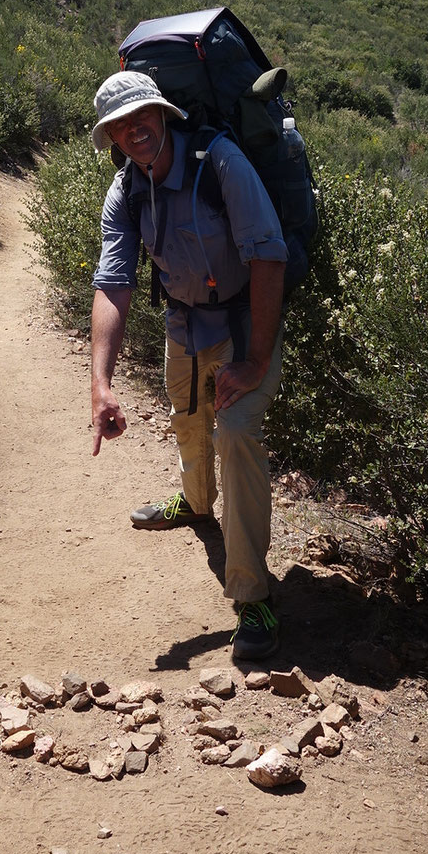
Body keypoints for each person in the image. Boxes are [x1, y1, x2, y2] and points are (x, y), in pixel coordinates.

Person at [89, 69, 287, 662]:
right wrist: (100, 384)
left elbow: (269, 257)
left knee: (236, 429)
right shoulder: (127, 190)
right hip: (186, 319)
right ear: (113, 141)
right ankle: (197, 503)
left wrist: (254, 360)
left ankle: (252, 594)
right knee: (188, 413)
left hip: (248, 321)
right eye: (120, 128)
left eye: (141, 116)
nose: (134, 131)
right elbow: (112, 284)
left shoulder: (220, 161)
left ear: (164, 112)